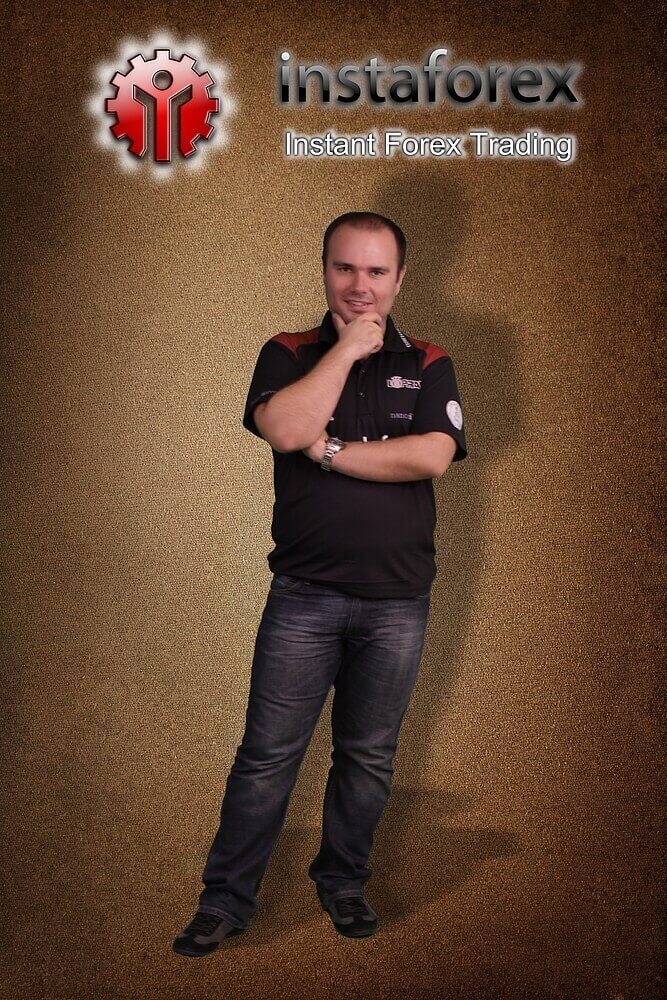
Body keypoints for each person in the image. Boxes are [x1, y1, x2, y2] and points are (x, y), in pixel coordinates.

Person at [173, 211, 468, 957]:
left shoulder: (430, 361)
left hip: (398, 602)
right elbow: (282, 428)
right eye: (345, 268)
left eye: (376, 271)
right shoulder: (288, 352)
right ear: (325, 270)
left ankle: (342, 883)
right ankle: (225, 902)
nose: (360, 285)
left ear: (400, 278)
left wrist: (329, 450)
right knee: (267, 757)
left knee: (367, 758)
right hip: (304, 597)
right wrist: (346, 351)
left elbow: (430, 456)